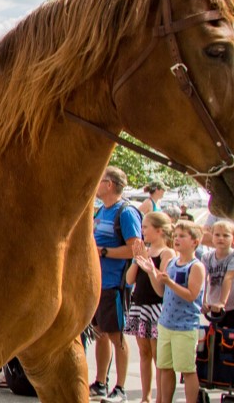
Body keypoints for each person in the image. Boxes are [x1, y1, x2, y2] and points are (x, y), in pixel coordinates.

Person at [92, 167, 144, 402]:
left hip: (115, 284)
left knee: (117, 336)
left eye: (99, 180)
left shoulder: (126, 212)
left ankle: (121, 388)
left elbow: (136, 250)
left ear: (110, 184)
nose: (96, 184)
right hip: (97, 284)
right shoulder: (101, 211)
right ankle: (101, 382)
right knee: (100, 333)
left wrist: (103, 251)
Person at [140, 220, 206, 403]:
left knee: (187, 369)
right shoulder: (171, 262)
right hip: (166, 323)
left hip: (185, 326)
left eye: (182, 236)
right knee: (165, 367)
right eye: (175, 235)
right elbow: (161, 292)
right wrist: (152, 273)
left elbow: (192, 295)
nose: (177, 239)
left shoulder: (196, 266)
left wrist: (170, 283)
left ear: (195, 241)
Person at [127, 211, 176, 403]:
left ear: (159, 230)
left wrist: (149, 266)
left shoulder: (167, 253)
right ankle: (145, 396)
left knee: (159, 356)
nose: (142, 231)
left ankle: (161, 397)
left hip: (156, 307)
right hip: (140, 305)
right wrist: (136, 259)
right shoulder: (144, 251)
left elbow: (160, 289)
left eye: (146, 227)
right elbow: (130, 279)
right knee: (144, 352)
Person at [202, 220, 234, 330]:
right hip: (214, 304)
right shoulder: (207, 257)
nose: (221, 238)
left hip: (232, 305)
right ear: (212, 237)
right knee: (214, 336)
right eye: (217, 235)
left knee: (230, 338)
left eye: (226, 235)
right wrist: (203, 301)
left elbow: (229, 277)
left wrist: (222, 302)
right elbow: (203, 279)